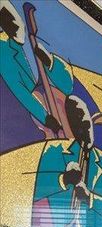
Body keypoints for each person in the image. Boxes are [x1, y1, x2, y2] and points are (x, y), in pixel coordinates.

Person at [32, 95, 102, 227]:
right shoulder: (54, 151)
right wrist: (64, 179)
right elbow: (35, 191)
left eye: (87, 124)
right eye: (79, 123)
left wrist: (89, 198)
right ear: (72, 125)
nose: (85, 129)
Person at [0, 0, 73, 135]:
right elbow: (20, 92)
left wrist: (50, 62)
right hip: (29, 117)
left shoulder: (35, 41)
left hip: (56, 104)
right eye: (7, 20)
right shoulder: (4, 49)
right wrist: (46, 118)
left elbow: (68, 87)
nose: (14, 24)